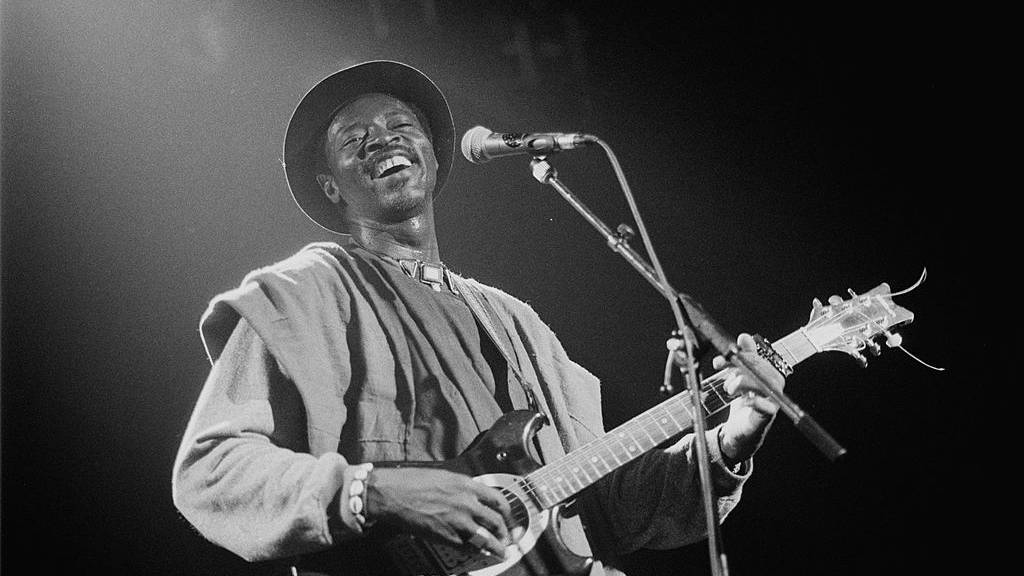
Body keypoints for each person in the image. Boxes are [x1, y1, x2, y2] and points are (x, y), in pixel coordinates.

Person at [171, 60, 787, 576]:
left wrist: (732, 438)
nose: (382, 140)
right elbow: (212, 472)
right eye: (353, 138)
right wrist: (377, 491)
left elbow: (607, 507)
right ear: (331, 187)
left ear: (434, 160)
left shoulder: (515, 323)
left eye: (399, 126)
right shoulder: (304, 293)